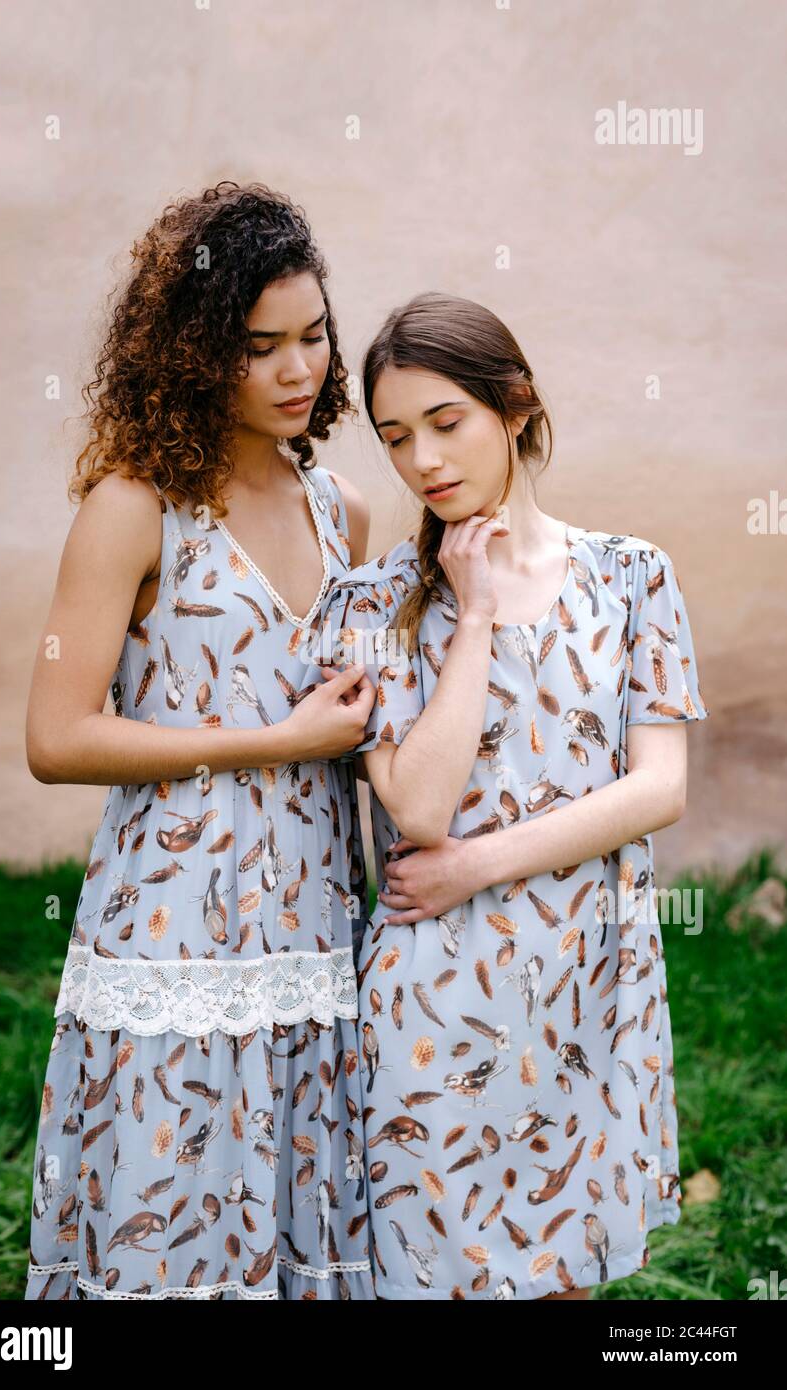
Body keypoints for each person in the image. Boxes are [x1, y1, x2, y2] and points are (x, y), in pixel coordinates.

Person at [309, 290, 709, 1301]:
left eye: (446, 423)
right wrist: (473, 616)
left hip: (585, 982)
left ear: (515, 407)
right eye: (395, 438)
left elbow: (657, 787)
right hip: (434, 996)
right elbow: (421, 814)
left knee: (560, 1272)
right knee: (435, 1271)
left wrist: (476, 868)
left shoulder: (630, 578)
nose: (422, 462)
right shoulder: (368, 604)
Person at [23, 182, 377, 1301]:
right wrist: (277, 738)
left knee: (293, 1208)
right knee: (174, 1219)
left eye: (313, 336)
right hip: (174, 921)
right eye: (257, 345)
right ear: (191, 352)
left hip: (313, 914)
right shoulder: (135, 506)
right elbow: (56, 733)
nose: (296, 370)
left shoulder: (343, 511)